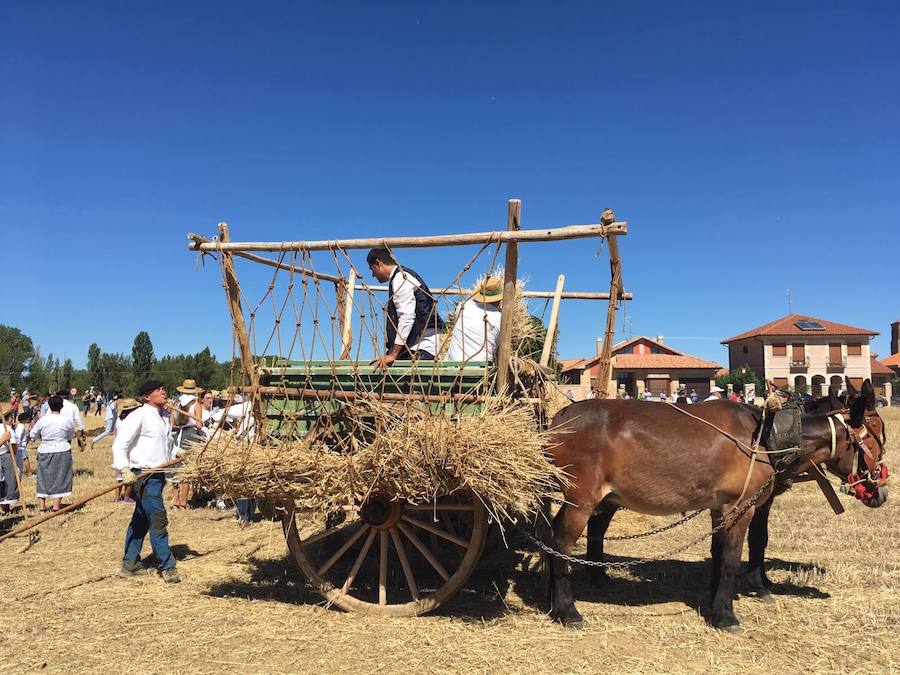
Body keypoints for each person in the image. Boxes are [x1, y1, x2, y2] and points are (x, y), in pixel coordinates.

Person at [112, 380, 181, 582]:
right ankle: (167, 566)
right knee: (158, 519)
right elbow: (119, 445)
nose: (163, 391)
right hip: (143, 475)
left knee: (141, 520)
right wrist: (124, 469)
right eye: (157, 390)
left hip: (157, 475)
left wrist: (177, 452)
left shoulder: (164, 418)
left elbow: (163, 446)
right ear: (146, 396)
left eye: (162, 388)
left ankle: (130, 563)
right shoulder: (139, 415)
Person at [366, 248, 444, 368]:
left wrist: (393, 354)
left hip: (421, 349)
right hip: (415, 346)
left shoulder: (400, 278)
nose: (372, 274)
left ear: (378, 263)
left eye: (372, 269)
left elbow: (407, 317)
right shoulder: (401, 276)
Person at [29, 395, 75, 512]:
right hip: (62, 449)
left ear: (48, 405)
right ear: (61, 406)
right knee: (60, 477)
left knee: (43, 478)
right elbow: (70, 435)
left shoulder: (43, 420)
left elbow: (32, 434)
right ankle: (56, 506)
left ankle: (42, 508)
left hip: (45, 449)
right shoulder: (66, 420)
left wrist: (42, 437)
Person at [445, 277, 503, 363]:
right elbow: (497, 346)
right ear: (499, 300)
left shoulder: (462, 306)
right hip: (482, 368)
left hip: (453, 364)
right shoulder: (501, 318)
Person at [0, 413, 19, 513]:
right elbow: (13, 446)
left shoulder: (7, 428)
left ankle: (5, 507)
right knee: (7, 481)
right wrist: (3, 439)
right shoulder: (7, 429)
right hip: (4, 456)